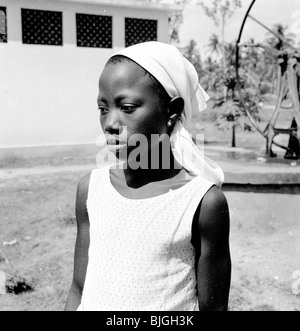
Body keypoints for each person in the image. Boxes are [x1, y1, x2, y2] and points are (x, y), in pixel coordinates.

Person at [65, 41, 231, 311]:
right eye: (103, 108)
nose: (110, 124)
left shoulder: (200, 203)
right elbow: (79, 289)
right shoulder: (91, 189)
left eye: (127, 107)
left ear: (172, 110)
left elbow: (214, 309)